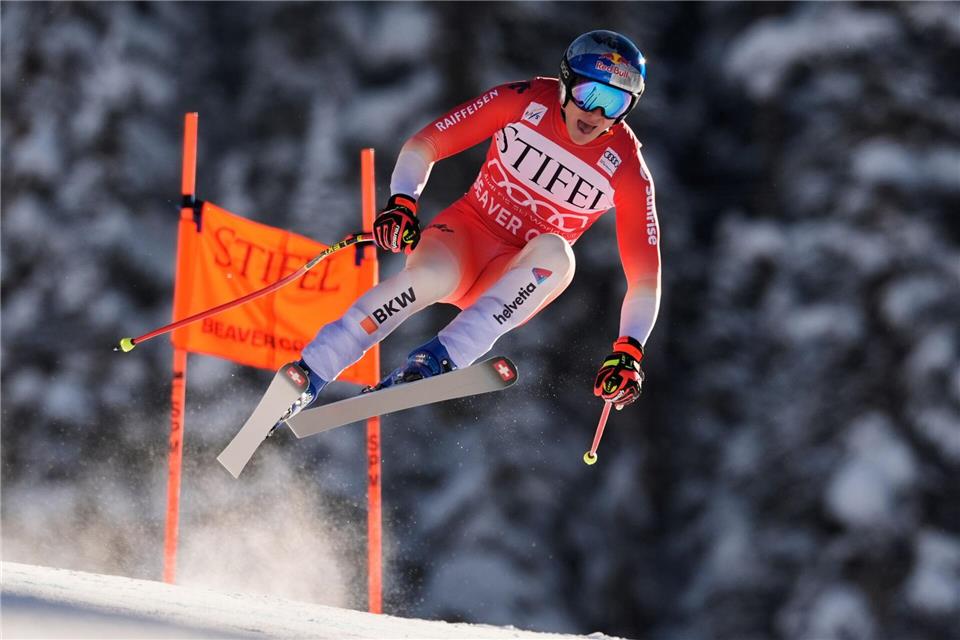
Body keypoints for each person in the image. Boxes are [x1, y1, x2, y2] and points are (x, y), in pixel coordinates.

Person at [280, 29, 661, 425]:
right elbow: (424, 145)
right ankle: (310, 374)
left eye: (614, 103)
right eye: (588, 95)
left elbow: (646, 280)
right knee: (427, 279)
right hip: (464, 237)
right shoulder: (524, 100)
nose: (595, 114)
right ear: (566, 83)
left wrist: (628, 350)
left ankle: (435, 361)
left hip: (515, 276)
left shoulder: (628, 168)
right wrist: (402, 202)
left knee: (559, 254)